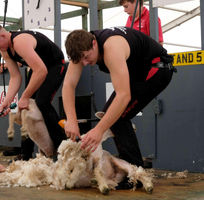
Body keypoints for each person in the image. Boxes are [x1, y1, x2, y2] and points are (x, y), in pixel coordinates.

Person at [62, 27, 174, 189]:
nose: (85, 63)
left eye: (87, 57)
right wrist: (71, 120)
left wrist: (98, 131)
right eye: (81, 61)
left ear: (94, 43)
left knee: (117, 116)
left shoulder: (111, 47)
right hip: (138, 71)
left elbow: (124, 96)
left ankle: (134, 175)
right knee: (112, 116)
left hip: (157, 69)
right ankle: (130, 168)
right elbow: (68, 85)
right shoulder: (80, 47)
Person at [0, 22, 67, 156]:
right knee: (25, 108)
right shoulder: (5, 50)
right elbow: (15, 77)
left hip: (54, 65)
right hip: (38, 69)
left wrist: (25, 97)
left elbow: (41, 71)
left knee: (42, 102)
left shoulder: (20, 42)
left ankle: (62, 148)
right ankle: (26, 154)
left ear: (4, 35)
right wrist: (7, 100)